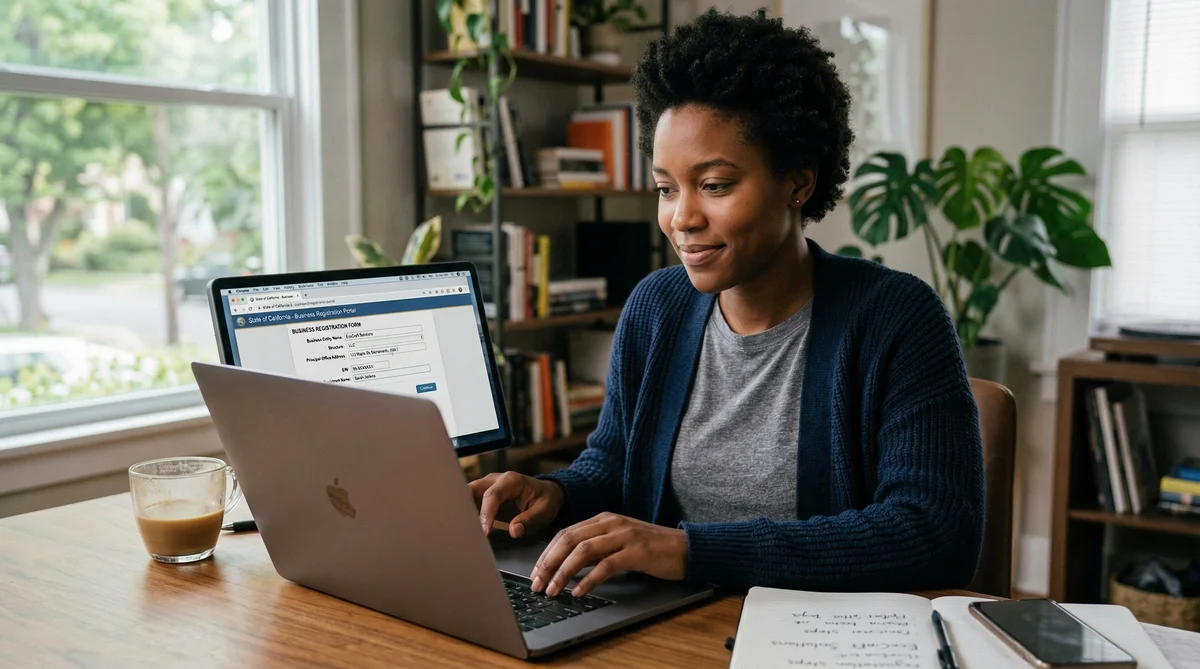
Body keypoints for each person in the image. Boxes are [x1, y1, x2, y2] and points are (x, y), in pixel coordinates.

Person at [470, 9, 985, 599]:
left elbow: (936, 533)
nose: (682, 218)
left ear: (798, 182)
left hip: (820, 632)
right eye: (667, 189)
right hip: (668, 624)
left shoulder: (896, 317)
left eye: (714, 185)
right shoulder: (655, 308)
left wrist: (691, 552)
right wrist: (554, 494)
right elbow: (612, 467)